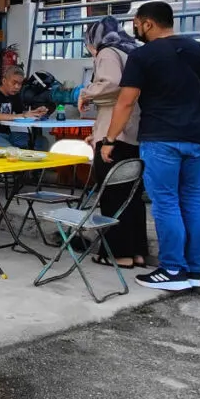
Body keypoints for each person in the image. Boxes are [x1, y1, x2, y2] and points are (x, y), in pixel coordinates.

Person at [103, 1, 200, 291]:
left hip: (161, 139)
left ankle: (172, 270)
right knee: (193, 202)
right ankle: (195, 271)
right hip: (196, 138)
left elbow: (126, 101)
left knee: (166, 203)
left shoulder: (143, 56)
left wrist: (109, 139)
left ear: (147, 23)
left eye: (137, 23)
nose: (136, 29)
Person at [76, 17, 147, 269]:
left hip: (114, 136)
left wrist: (85, 93)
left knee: (112, 196)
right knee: (131, 197)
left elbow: (111, 85)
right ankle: (137, 252)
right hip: (134, 132)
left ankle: (119, 254)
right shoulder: (132, 50)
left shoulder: (107, 52)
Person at [0, 65, 48, 148]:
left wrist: (35, 113)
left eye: (20, 84)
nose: (17, 87)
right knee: (12, 152)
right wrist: (23, 115)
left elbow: (21, 113)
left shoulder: (15, 95)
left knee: (41, 141)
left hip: (8, 134)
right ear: (4, 81)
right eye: (14, 83)